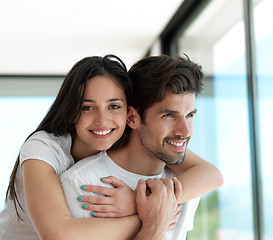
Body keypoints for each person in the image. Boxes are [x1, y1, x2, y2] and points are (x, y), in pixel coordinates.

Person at [0, 54, 223, 240]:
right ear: (71, 110)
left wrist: (141, 199)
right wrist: (150, 214)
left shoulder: (149, 140)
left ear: (129, 114)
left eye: (114, 106)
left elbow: (211, 175)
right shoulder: (45, 150)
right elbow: (58, 233)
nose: (102, 121)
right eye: (88, 108)